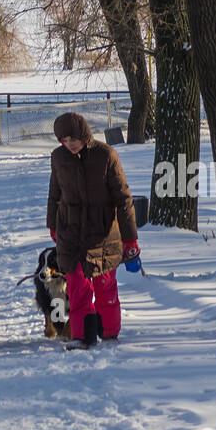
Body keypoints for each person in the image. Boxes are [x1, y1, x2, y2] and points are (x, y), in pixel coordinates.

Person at [47, 112, 139, 349]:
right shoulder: (58, 158)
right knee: (77, 286)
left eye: (73, 138)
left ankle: (108, 332)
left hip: (103, 233)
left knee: (105, 286)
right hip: (71, 232)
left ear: (84, 134)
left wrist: (130, 239)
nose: (70, 144)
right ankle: (82, 335)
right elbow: (54, 193)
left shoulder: (106, 155)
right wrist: (52, 225)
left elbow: (124, 199)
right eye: (64, 140)